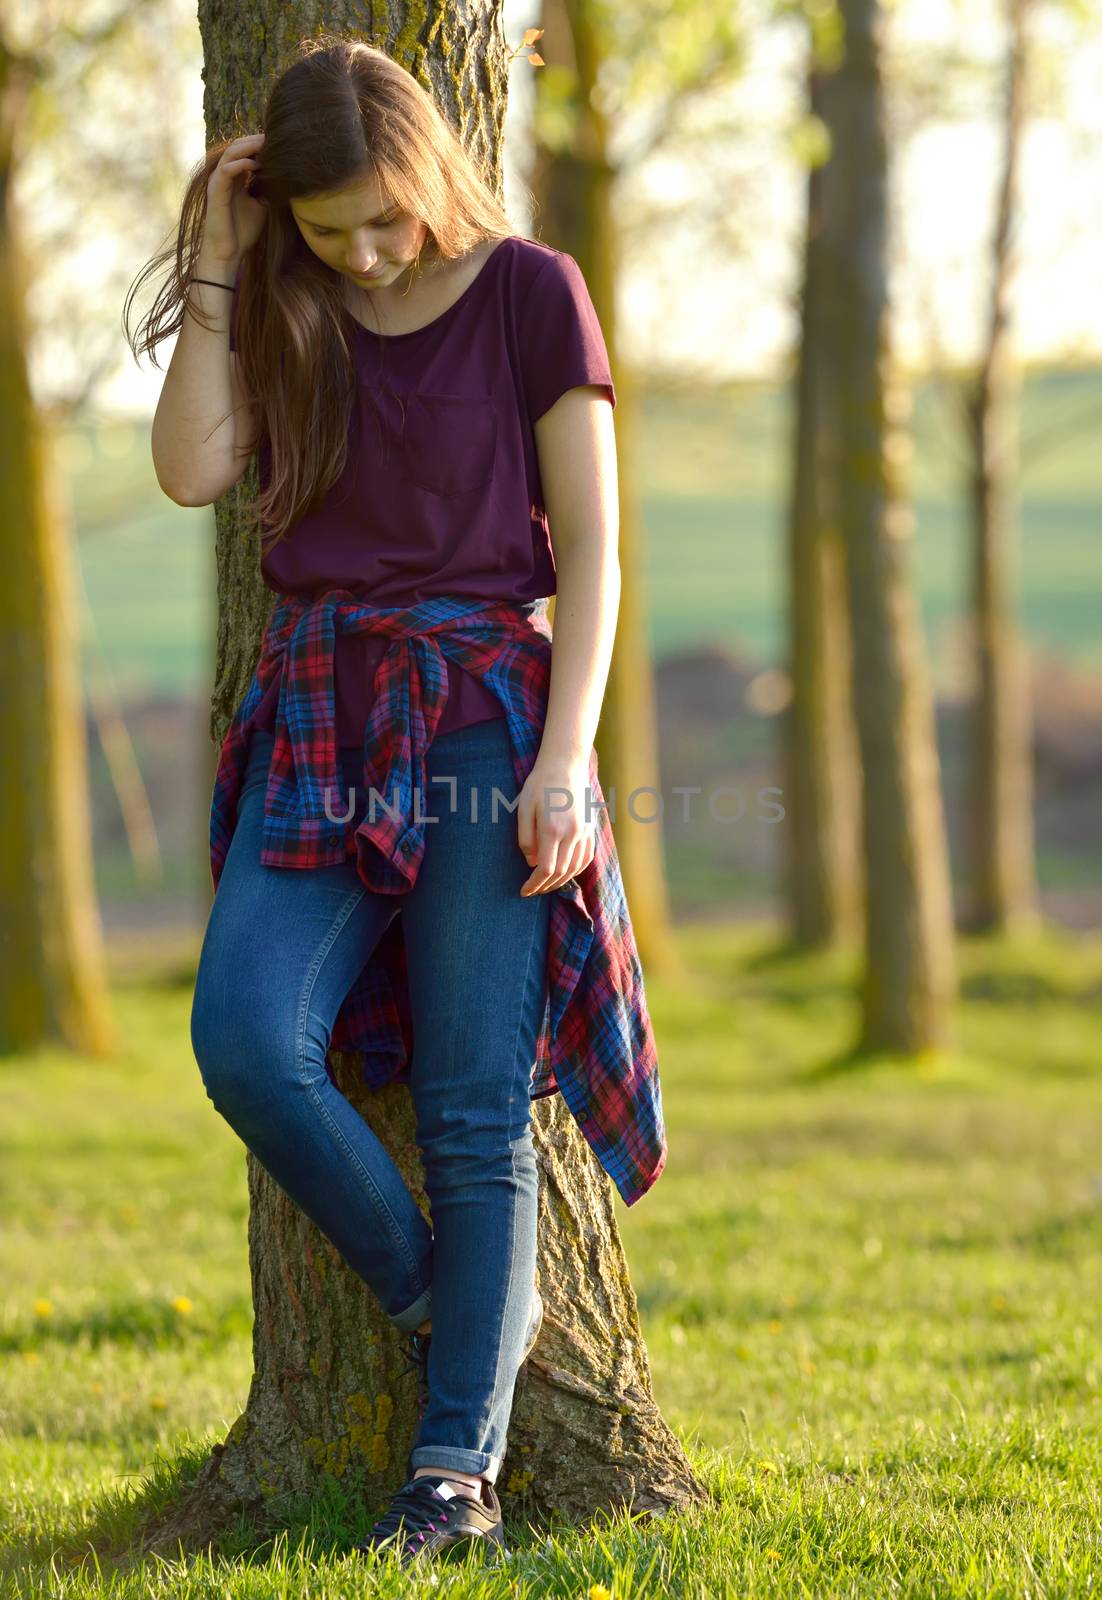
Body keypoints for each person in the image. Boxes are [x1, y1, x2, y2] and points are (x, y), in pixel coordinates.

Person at [129, 31, 666, 1568]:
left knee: (475, 1108)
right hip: (316, 709)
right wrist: (230, 263)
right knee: (247, 1040)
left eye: (383, 216)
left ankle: (454, 1473)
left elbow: (598, 552)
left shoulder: (527, 290)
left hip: (488, 719)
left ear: (431, 167)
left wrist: (566, 761)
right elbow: (187, 471)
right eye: (326, 227)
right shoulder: (289, 301)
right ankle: (453, 1301)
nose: (364, 252)